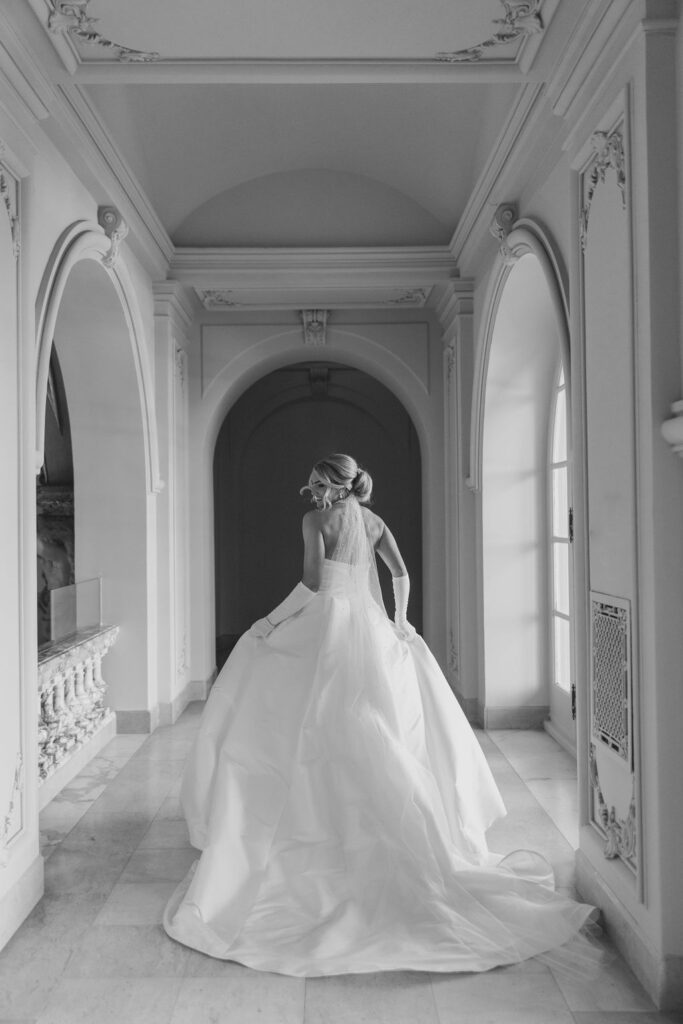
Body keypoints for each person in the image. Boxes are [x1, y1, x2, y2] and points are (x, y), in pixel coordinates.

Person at [164, 453, 596, 976]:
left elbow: (311, 586)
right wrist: (400, 621)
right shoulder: (373, 522)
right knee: (373, 726)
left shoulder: (314, 522)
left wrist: (268, 622)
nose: (314, 491)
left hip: (327, 626)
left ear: (340, 486)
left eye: (321, 483)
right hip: (368, 627)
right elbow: (401, 572)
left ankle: (303, 829)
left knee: (300, 718)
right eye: (313, 484)